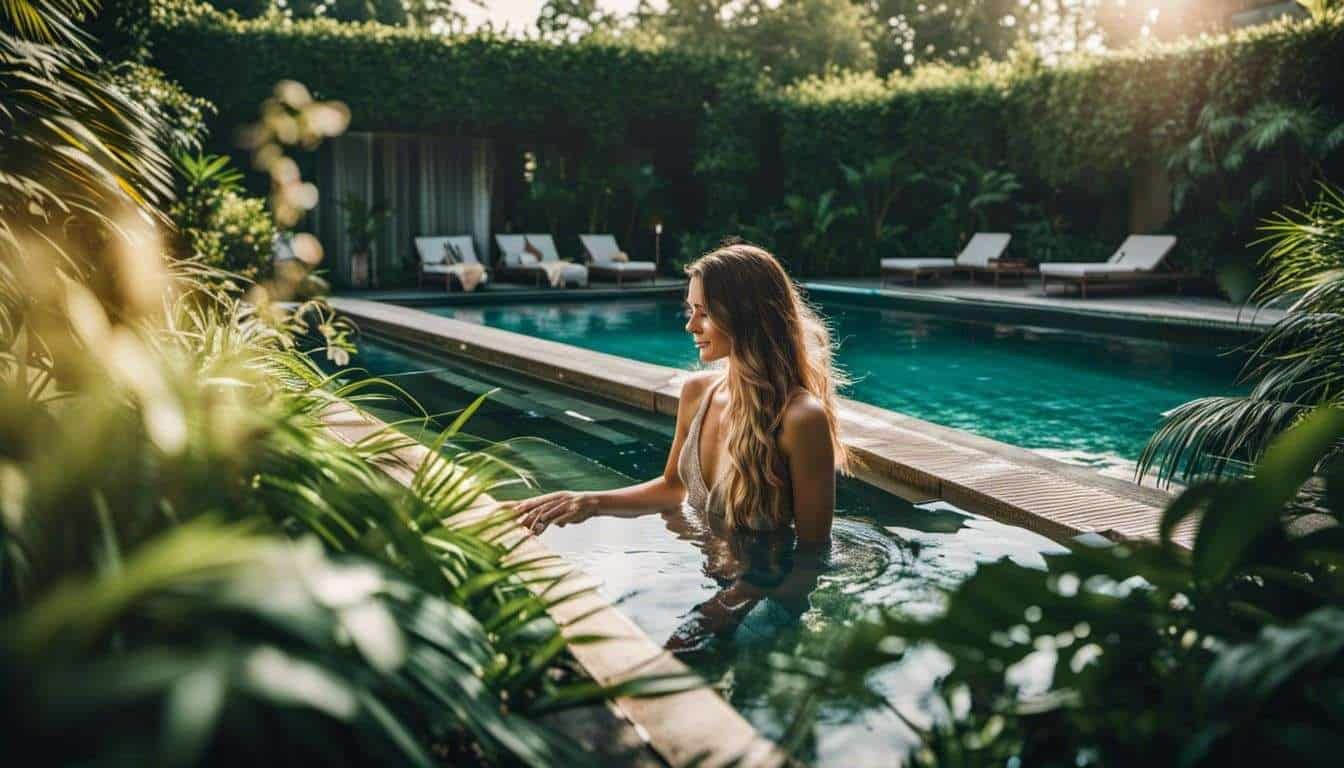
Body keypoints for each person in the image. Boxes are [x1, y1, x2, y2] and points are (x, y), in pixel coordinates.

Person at [514, 241, 851, 645]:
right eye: (692, 310)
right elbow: (673, 488)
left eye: (704, 313)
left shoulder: (801, 419)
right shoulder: (697, 393)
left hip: (769, 596)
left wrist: (732, 604)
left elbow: (813, 554)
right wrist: (589, 501)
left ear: (746, 315)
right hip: (705, 577)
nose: (691, 326)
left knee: (668, 657)